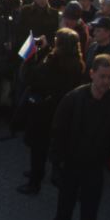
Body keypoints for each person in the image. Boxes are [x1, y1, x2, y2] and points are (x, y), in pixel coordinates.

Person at [33, 54, 110, 220]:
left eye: (109, 77)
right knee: (63, 213)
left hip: (94, 170)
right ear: (92, 74)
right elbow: (58, 132)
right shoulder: (74, 99)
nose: (105, 82)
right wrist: (56, 164)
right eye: (102, 76)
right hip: (72, 166)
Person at [17, 28, 86, 195]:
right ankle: (54, 173)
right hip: (63, 111)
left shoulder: (52, 63)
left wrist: (33, 55)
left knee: (38, 148)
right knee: (56, 145)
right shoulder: (78, 63)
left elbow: (31, 78)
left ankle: (35, 181)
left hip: (43, 111)